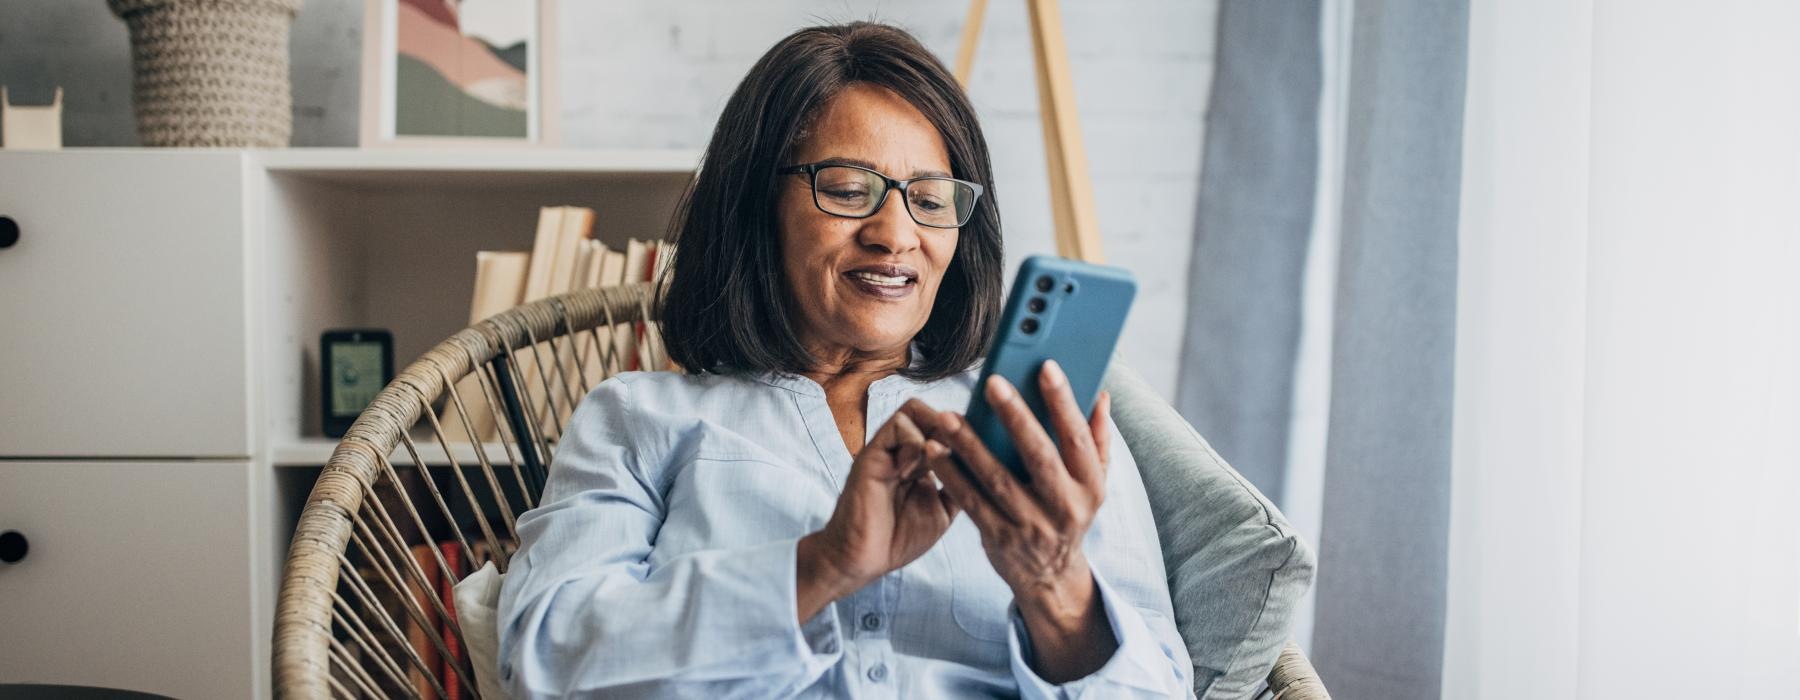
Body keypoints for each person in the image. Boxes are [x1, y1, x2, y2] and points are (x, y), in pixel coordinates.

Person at [498, 21, 1194, 699]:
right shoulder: (637, 417)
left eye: (928, 199)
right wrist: (823, 564)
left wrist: (1054, 584)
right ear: (756, 204)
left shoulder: (1040, 424)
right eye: (848, 189)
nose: (895, 236)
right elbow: (545, 660)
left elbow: (1164, 687)